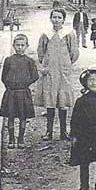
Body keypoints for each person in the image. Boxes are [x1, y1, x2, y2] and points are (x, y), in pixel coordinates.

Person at [34, 8, 80, 141]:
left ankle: (63, 132)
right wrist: (45, 64)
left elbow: (74, 53)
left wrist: (66, 64)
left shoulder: (69, 34)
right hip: (50, 72)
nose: (56, 20)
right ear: (50, 19)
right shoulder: (46, 35)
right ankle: (49, 131)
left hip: (63, 73)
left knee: (62, 101)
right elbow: (41, 51)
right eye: (54, 17)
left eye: (59, 17)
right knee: (50, 101)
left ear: (63, 20)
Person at [0, 34, 39, 149]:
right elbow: (4, 76)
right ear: (13, 46)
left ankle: (21, 139)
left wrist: (25, 83)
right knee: (10, 116)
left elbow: (35, 76)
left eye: (22, 45)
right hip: (11, 93)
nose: (20, 48)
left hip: (23, 93)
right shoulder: (8, 60)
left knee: (23, 117)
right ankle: (11, 140)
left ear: (27, 46)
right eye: (17, 45)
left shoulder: (29, 61)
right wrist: (10, 85)